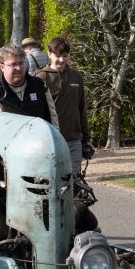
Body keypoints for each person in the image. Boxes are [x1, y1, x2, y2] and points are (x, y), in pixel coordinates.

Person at [36, 37, 93, 176]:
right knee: (52, 180)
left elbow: (81, 108)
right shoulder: (39, 78)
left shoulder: (76, 76)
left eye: (65, 56)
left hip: (73, 140)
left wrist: (86, 138)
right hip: (50, 141)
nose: (61, 60)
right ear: (49, 54)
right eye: (58, 55)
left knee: (74, 180)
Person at [0, 45, 59, 128]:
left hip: (38, 139)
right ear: (2, 67)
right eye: (13, 64)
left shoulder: (39, 85)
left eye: (21, 63)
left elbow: (53, 117)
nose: (18, 68)